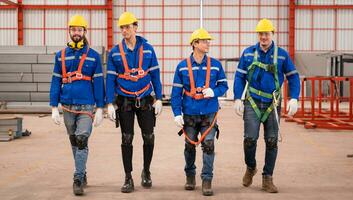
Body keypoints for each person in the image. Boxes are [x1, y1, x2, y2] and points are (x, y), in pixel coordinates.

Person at [233, 18, 300, 193]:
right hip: (253, 102)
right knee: (249, 140)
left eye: (267, 33)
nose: (264, 37)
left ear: (272, 34)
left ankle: (267, 178)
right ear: (258, 35)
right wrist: (237, 98)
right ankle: (251, 167)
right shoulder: (248, 53)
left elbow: (293, 77)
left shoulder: (282, 55)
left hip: (272, 104)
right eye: (261, 34)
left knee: (271, 141)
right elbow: (239, 77)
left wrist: (294, 98)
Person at [105, 11, 163, 193]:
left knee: (149, 137)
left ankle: (146, 171)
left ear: (135, 27)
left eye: (128, 27)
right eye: (122, 27)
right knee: (127, 138)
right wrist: (109, 103)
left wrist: (159, 98)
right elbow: (110, 80)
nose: (124, 30)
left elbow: (155, 74)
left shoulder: (148, 49)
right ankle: (128, 177)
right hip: (125, 101)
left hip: (145, 99)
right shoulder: (114, 53)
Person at [49, 14, 105, 195]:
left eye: (79, 30)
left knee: (82, 140)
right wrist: (53, 107)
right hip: (67, 106)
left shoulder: (93, 57)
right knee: (74, 141)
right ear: (70, 31)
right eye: (73, 30)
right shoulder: (60, 56)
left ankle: (78, 178)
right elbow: (56, 81)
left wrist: (100, 108)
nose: (76, 33)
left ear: (84, 32)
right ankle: (83, 171)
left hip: (86, 106)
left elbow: (98, 83)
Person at [171, 28, 228, 196]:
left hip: (209, 113)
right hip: (189, 113)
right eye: (204, 41)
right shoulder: (182, 67)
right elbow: (176, 93)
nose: (208, 43)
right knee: (189, 146)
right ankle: (190, 175)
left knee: (209, 145)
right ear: (195, 44)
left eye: (208, 40)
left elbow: (224, 86)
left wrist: (214, 92)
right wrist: (177, 113)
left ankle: (207, 179)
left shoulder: (216, 65)